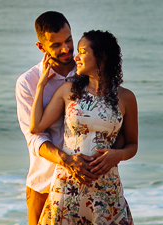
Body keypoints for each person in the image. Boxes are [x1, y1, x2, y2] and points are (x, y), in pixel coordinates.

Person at [29, 29, 137, 225]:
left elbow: (132, 144)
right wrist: (41, 85)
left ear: (101, 57)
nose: (76, 57)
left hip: (106, 187)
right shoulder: (68, 91)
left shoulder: (126, 97)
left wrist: (117, 155)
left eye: (82, 52)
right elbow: (36, 126)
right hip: (68, 184)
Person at [16, 12, 103, 225]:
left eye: (69, 40)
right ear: (41, 47)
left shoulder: (89, 74)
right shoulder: (28, 82)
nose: (66, 49)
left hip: (88, 186)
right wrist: (66, 160)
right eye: (56, 45)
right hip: (44, 185)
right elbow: (34, 137)